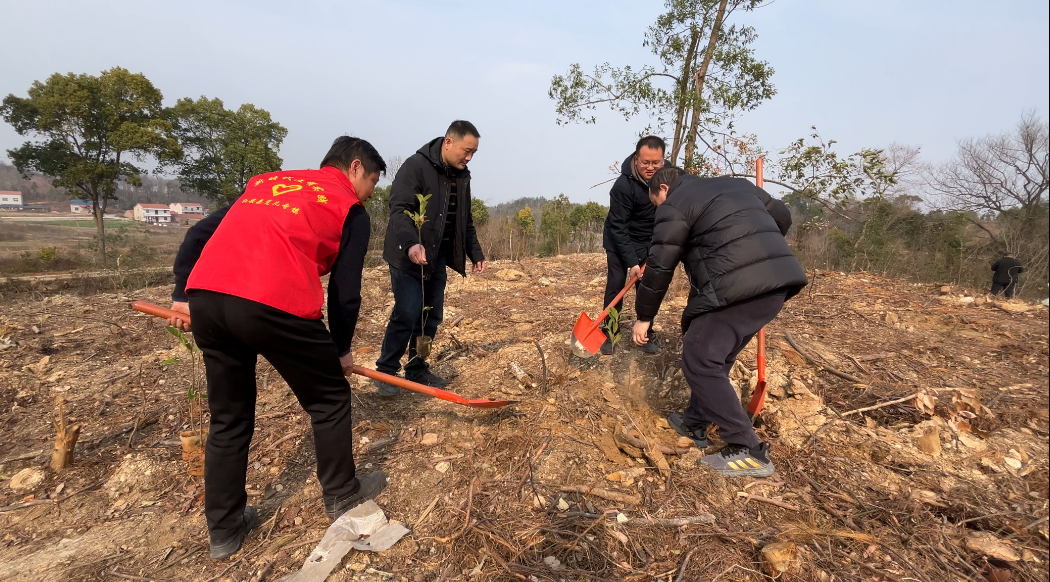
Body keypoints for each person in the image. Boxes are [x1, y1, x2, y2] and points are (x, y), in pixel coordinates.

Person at [165, 137, 389, 559]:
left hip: (208, 299)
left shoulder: (268, 183)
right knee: (330, 398)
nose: (371, 192)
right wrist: (340, 349)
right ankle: (342, 494)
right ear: (355, 168)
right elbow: (345, 292)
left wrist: (182, 292)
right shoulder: (349, 208)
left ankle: (225, 529)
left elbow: (199, 234)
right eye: (373, 181)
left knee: (228, 417)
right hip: (272, 301)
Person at [632, 167, 808, 477]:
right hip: (776, 284)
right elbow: (782, 215)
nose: (658, 208)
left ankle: (748, 450)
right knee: (716, 355)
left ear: (663, 188)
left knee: (699, 359)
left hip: (736, 289)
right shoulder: (738, 185)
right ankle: (695, 422)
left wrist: (644, 317)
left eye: (656, 202)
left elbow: (660, 267)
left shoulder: (675, 204)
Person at [373, 121, 486, 395]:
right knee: (408, 311)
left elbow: (464, 219)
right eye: (466, 150)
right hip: (407, 256)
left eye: (473, 153)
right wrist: (411, 243)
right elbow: (399, 209)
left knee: (432, 315)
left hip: (436, 258)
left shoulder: (462, 176)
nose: (469, 157)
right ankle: (386, 371)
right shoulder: (416, 166)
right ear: (449, 142)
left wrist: (475, 251)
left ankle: (417, 369)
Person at [600, 135, 667, 354]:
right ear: (636, 159)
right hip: (620, 239)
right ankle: (610, 332)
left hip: (650, 240)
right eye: (645, 162)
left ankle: (645, 332)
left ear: (663, 160)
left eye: (655, 162)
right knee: (616, 285)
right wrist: (632, 262)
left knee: (647, 287)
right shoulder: (622, 186)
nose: (650, 167)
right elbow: (619, 227)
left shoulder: (669, 179)